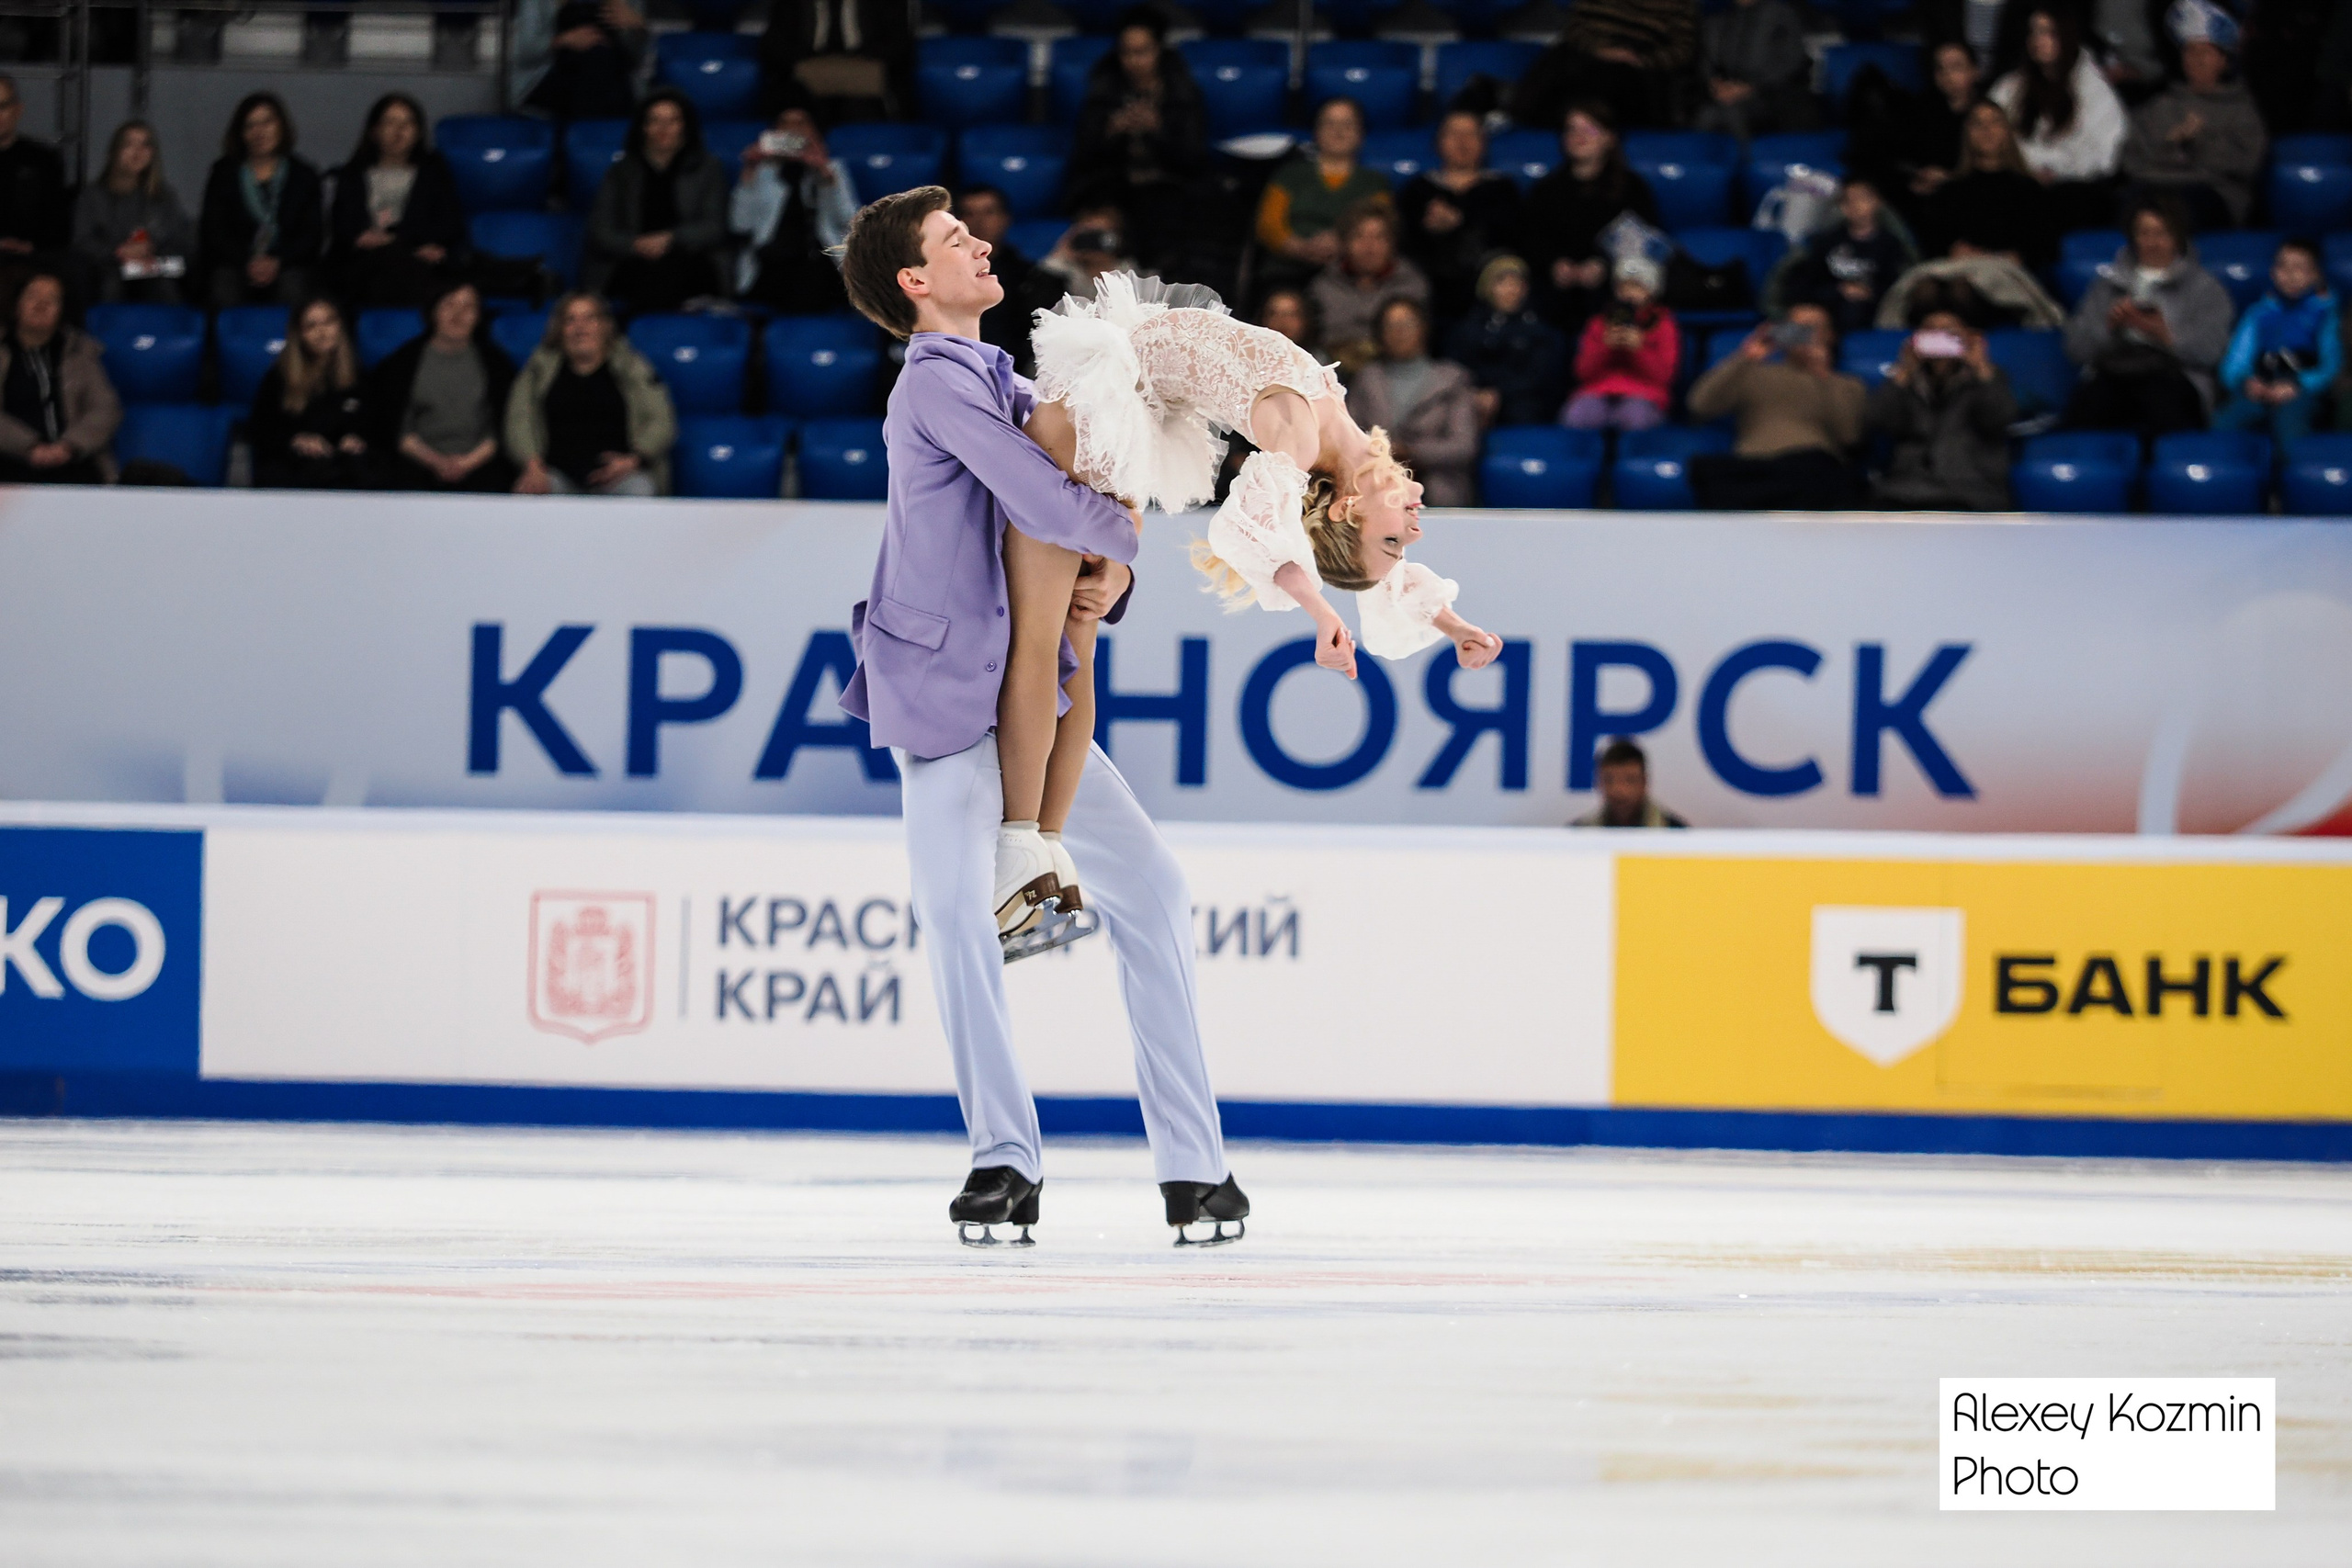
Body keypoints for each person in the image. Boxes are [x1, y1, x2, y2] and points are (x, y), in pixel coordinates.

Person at [831, 184, 1249, 1247]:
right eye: (952, 238)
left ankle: (1194, 1170)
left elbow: (1075, 505)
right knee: (958, 917)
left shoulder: (1003, 377)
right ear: (915, 283)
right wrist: (1124, 540)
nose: (978, 242)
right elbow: (1040, 496)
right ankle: (1001, 1158)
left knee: (1151, 890)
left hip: (1032, 699)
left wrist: (1111, 575)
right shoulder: (931, 384)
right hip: (941, 700)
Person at [2063, 195, 2233, 438]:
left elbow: (2213, 351)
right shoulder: (2107, 285)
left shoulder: (2206, 288)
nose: (2152, 242)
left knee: (2164, 406)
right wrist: (2109, 328)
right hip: (2113, 371)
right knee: (2087, 410)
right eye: (2144, 233)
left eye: (2161, 233)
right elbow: (2075, 349)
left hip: (2173, 375)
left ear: (2178, 237)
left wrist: (2165, 334)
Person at [1685, 302, 1868, 509]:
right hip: (1755, 469)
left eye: (1812, 328)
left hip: (1810, 469)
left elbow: (1849, 435)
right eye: (1796, 328)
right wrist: (1746, 357)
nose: (1804, 335)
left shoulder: (1847, 384)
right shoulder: (1754, 373)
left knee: (1827, 475)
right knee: (1705, 471)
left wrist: (1823, 374)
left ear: (1830, 335)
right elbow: (1699, 405)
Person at [1067, 7, 1206, 273]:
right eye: (1126, 52)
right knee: (1101, 222)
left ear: (1159, 51)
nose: (1133, 60)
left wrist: (1158, 132)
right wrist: (1110, 133)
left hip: (1169, 189)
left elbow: (1194, 160)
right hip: (1112, 187)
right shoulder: (1103, 91)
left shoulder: (1182, 94)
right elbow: (1082, 158)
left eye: (1142, 52)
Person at [509, 291, 675, 496]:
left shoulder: (632, 367)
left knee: (640, 490)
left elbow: (661, 420)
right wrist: (532, 465)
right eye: (571, 320)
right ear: (560, 329)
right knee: (528, 492)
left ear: (605, 326)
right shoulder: (538, 368)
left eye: (590, 318)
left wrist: (634, 459)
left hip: (621, 477)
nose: (580, 328)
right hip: (556, 476)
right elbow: (519, 419)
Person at [2118, 3, 2266, 232]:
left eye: (2205, 52)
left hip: (2210, 193)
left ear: (2223, 60)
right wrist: (2171, 144)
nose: (2196, 59)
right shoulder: (2160, 107)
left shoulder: (2241, 110)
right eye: (2190, 51)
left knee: (2182, 209)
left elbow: (2247, 163)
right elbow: (2132, 159)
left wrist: (2199, 142)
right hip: (2156, 187)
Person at [1516, 104, 1662, 332]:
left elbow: (1646, 243)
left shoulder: (1632, 189)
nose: (1579, 136)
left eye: (1590, 129)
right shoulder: (1545, 190)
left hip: (1613, 289)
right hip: (1553, 292)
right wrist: (1554, 264)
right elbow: (1530, 240)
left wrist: (1604, 266)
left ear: (1610, 138)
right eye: (1572, 129)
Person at [584, 89, 729, 313]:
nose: (663, 129)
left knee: (671, 269)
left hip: (690, 258)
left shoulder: (708, 169)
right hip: (633, 259)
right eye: (655, 121)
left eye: (672, 121)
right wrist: (636, 244)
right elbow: (600, 231)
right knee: (649, 276)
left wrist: (670, 238)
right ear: (643, 127)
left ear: (685, 126)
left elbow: (714, 228)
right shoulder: (620, 172)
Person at [366, 279, 517, 492]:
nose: (458, 314)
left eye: (468, 307)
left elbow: (504, 428)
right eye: (449, 304)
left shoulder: (498, 365)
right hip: (416, 465)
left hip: (482, 465)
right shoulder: (400, 364)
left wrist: (465, 464)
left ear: (478, 316)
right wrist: (437, 462)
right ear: (433, 311)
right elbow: (394, 428)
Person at [1988, 6, 2128, 230]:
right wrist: (2030, 168)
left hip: (2076, 189)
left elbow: (2104, 154)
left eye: (2047, 32)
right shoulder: (2011, 86)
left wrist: (2056, 170)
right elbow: (1991, 135)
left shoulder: (2094, 88)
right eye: (2033, 32)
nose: (2038, 40)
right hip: (2022, 180)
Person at [1866, 308, 2018, 510]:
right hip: (1907, 488)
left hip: (1969, 488)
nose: (1939, 336)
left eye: (1948, 331)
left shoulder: (1988, 378)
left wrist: (1981, 368)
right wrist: (1904, 372)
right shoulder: (1905, 380)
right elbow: (1879, 420)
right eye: (1931, 331)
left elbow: (1999, 420)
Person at [328, 94, 467, 310]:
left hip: (418, 264)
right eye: (390, 122)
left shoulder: (434, 173)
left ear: (419, 132)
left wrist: (397, 244)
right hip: (363, 267)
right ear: (374, 131)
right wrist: (401, 245)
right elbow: (344, 228)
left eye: (407, 123)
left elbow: (448, 224)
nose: (399, 130)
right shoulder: (352, 174)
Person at [1346, 298, 1481, 508]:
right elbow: (1348, 437)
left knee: (1441, 492)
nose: (1399, 332)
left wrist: (1411, 452)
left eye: (1407, 324)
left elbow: (1463, 447)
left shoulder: (1452, 380)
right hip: (1375, 479)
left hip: (1439, 484)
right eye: (1390, 325)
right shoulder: (1367, 379)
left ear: (1424, 329)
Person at [729, 97, 857, 312]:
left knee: (809, 276)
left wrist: (825, 176)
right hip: (771, 263)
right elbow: (739, 225)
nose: (793, 130)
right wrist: (749, 173)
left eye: (801, 123)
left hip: (818, 261)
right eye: (785, 124)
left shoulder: (832, 170)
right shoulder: (761, 172)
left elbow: (847, 221)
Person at [1394, 112, 1520, 326]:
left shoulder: (1502, 190)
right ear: (1438, 142)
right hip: (1428, 290)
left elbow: (1512, 237)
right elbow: (1402, 241)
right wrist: (1428, 227)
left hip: (1485, 287)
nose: (1463, 142)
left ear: (1483, 142)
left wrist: (1461, 221)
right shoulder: (1419, 190)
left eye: (1470, 134)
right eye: (1454, 134)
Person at [198, 92, 323, 308]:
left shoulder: (304, 175)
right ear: (241, 133)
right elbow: (213, 232)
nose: (260, 132)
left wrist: (278, 261)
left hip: (288, 265)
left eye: (267, 122)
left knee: (294, 286)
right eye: (251, 125)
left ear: (281, 126)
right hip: (236, 264)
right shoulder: (223, 174)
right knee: (222, 286)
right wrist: (247, 262)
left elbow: (311, 234)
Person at [2213, 239, 2339, 447]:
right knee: (2224, 423)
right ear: (2273, 272)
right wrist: (2247, 382)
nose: (2290, 275)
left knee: (2290, 428)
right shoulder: (2259, 313)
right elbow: (2235, 360)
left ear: (2316, 275)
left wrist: (2299, 385)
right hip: (2260, 384)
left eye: (2299, 268)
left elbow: (2331, 366)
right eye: (2283, 266)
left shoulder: (2325, 314)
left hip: (2300, 389)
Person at [0, 271, 118, 484]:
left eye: (52, 299)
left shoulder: (81, 352)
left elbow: (105, 408)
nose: (41, 304)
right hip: (10, 460)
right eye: (33, 296)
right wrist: (29, 446)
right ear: (16, 303)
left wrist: (68, 446)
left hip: (73, 461)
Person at [1512, 0, 1702, 131]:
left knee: (1616, 82)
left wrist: (1643, 61)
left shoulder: (1680, 2)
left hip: (1639, 63)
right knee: (1557, 69)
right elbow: (1575, 28)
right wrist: (1599, 50)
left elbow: (1683, 48)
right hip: (1590, 53)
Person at [1254, 97, 1388, 283]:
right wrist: (1301, 248)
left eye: (1347, 124)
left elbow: (1382, 231)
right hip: (1286, 272)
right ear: (1316, 131)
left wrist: (1342, 245)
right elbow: (1267, 225)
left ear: (1361, 133)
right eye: (1330, 123)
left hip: (1350, 277)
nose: (1338, 131)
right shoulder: (1289, 174)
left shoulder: (1375, 183)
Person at [1925, 99, 2063, 269]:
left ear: (2007, 131)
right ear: (1967, 133)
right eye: (1978, 124)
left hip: (2011, 278)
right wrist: (1955, 251)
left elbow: (2047, 248)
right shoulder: (1950, 191)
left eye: (1995, 122)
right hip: (1960, 272)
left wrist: (2012, 257)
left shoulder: (2029, 190)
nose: (1987, 130)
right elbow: (1934, 244)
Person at [1771, 176, 1918, 335]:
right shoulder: (1825, 242)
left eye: (1863, 198)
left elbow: (1899, 287)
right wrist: (1838, 290)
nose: (1856, 206)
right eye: (1849, 201)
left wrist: (1869, 292)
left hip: (1873, 312)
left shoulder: (1891, 244)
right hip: (1827, 310)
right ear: (1841, 207)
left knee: (1853, 310)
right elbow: (1805, 284)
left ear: (1877, 202)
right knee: (1795, 324)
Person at [249, 297, 369, 490]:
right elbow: (261, 430)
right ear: (299, 334)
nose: (322, 332)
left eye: (329, 322)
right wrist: (296, 440)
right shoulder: (279, 377)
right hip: (295, 469)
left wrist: (355, 437)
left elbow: (371, 422)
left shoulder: (358, 374)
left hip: (343, 467)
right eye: (311, 326)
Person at [73, 119, 194, 304]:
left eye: (145, 145)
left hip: (153, 267)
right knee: (111, 284)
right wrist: (119, 252)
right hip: (109, 268)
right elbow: (82, 241)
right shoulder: (93, 195)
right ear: (115, 151)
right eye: (129, 144)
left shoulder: (164, 196)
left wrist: (152, 252)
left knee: (164, 286)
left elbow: (181, 239)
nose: (137, 152)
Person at [1309, 203, 1431, 377]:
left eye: (1379, 237)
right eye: (1359, 236)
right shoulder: (1322, 286)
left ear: (1393, 243)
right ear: (1344, 243)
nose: (1369, 247)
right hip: (1334, 372)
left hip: (1394, 376)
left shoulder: (1412, 286)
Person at [1445, 254, 1568, 427]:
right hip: (1475, 399)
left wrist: (1499, 394)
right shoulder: (1469, 328)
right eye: (1502, 282)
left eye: (1516, 283)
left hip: (1521, 403)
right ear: (1488, 287)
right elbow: (1456, 368)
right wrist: (1475, 394)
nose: (1511, 289)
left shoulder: (1538, 329)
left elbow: (1540, 375)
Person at [1563, 254, 1679, 433]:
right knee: (1577, 415)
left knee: (1635, 417)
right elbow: (1582, 373)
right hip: (1597, 392)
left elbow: (1665, 377)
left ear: (1651, 290)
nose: (1629, 293)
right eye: (1624, 286)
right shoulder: (1598, 323)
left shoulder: (1664, 324)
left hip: (1644, 395)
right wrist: (1605, 347)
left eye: (1637, 286)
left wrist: (1639, 349)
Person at [954, 185, 1056, 376]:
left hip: (1016, 375)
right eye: (970, 213)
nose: (979, 222)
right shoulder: (941, 275)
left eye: (989, 212)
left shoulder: (1030, 276)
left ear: (1005, 218)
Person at [760, 0, 915, 123]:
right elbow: (774, 46)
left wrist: (859, 60)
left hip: (866, 87)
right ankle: (799, 160)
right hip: (804, 88)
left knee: (861, 114)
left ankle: (858, 161)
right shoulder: (792, 3)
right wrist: (810, 60)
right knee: (796, 114)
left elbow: (900, 46)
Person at [1694, 0, 1817, 142]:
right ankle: (1705, 164)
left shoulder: (1782, 15)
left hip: (1773, 97)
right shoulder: (1721, 16)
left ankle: (1750, 162)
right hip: (1729, 93)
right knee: (1706, 115)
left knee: (1732, 113)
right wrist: (1716, 84)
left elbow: (1790, 63)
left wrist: (1751, 87)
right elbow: (1709, 60)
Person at [517, 0, 645, 122]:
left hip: (613, 75)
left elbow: (640, 60)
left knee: (600, 62)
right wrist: (563, 40)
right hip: (552, 76)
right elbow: (525, 53)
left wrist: (637, 26)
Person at [0, 75, 70, 269]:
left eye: (2, 106)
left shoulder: (43, 160)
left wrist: (30, 245)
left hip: (34, 256)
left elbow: (57, 221)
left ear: (18, 110)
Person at [1035, 200, 1140, 301]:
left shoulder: (1128, 272)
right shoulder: (1064, 273)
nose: (1093, 243)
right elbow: (1040, 300)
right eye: (1089, 236)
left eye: (1100, 236)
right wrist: (1062, 253)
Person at [1570, 739, 1688, 827]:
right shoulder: (1578, 834)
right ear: (1598, 782)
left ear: (1644, 782)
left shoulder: (1675, 833)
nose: (1619, 790)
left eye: (1629, 780)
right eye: (1609, 780)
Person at [1258, 287, 1319, 355]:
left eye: (1291, 314)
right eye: (1273, 314)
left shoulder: (1319, 361)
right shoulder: (1251, 357)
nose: (1282, 321)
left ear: (1304, 320)